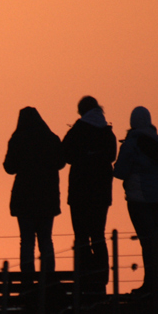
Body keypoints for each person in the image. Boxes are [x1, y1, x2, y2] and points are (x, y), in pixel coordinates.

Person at [114, 106, 158, 294]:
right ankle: (157, 282)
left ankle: (149, 284)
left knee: (146, 240)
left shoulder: (132, 143)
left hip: (139, 197)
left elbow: (120, 172)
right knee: (157, 238)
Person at [62, 96, 117, 294]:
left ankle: (84, 277)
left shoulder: (77, 130)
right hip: (101, 193)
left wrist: (83, 156)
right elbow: (112, 156)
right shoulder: (107, 132)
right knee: (98, 234)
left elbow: (65, 154)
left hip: (79, 191)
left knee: (81, 236)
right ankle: (101, 278)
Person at [2, 107, 65, 275]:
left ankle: (27, 282)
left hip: (24, 199)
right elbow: (61, 163)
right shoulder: (51, 138)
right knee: (46, 240)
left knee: (27, 242)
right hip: (47, 198)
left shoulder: (17, 139)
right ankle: (49, 279)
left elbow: (9, 167)